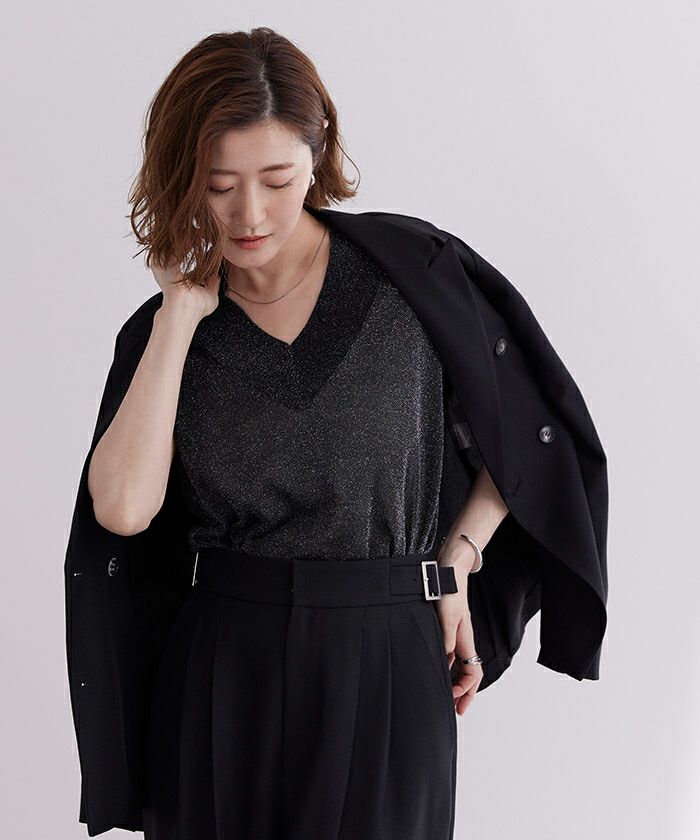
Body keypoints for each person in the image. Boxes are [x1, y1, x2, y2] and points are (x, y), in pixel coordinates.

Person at [66, 25, 608, 840]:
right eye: (218, 186)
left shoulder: (412, 280)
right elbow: (122, 509)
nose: (249, 214)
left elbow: (530, 427)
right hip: (224, 666)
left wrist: (458, 559)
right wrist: (180, 311)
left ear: (317, 152)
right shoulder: (164, 336)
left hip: (389, 651)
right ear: (182, 179)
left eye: (277, 180)